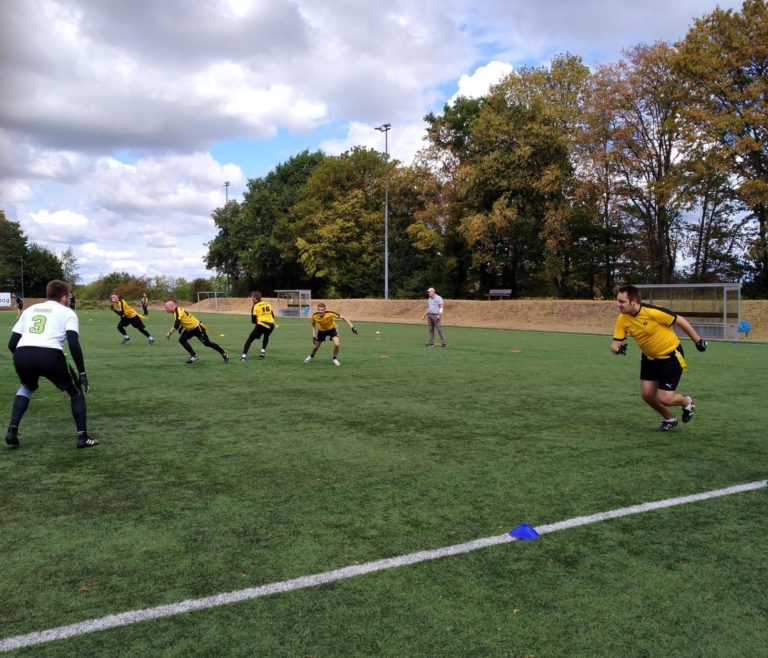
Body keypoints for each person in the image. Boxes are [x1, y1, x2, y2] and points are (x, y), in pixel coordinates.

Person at [5, 279, 98, 449]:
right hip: (50, 354)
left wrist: (25, 358)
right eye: (68, 296)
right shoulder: (67, 312)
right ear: (63, 297)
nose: (69, 299)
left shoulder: (30, 310)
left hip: (22, 353)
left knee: (26, 388)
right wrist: (82, 373)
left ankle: (12, 430)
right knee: (75, 392)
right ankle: (82, 437)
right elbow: (73, 342)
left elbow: (12, 344)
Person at [610, 284, 707, 431]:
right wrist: (617, 349)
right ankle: (670, 419)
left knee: (665, 398)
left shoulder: (652, 311)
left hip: (671, 357)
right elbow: (615, 342)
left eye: (622, 302)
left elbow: (679, 320)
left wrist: (698, 341)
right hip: (649, 359)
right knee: (647, 395)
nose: (619, 305)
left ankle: (687, 402)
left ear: (634, 302)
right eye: (618, 301)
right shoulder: (622, 319)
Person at [164, 300, 228, 363]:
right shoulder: (177, 311)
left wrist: (169, 333)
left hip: (198, 328)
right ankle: (194, 355)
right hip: (190, 329)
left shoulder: (177, 311)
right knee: (182, 340)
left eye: (166, 307)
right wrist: (181, 328)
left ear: (171, 306)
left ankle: (223, 352)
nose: (165, 309)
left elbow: (176, 325)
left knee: (207, 343)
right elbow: (186, 319)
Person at [240, 291, 276, 361]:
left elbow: (254, 320)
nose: (251, 299)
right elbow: (272, 315)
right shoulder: (267, 303)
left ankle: (243, 356)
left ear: (255, 298)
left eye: (252, 297)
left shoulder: (255, 306)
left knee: (250, 339)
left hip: (261, 324)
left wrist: (258, 327)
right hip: (271, 325)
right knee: (266, 336)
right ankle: (263, 351)